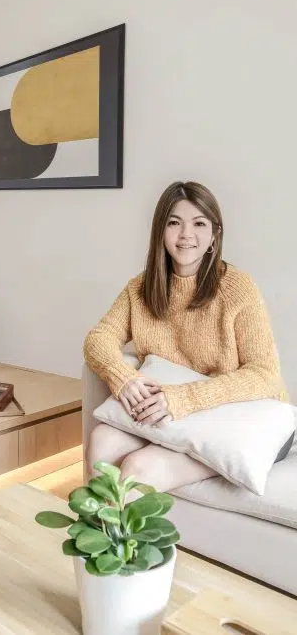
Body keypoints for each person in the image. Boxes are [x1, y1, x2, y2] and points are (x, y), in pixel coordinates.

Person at [83, 181, 293, 490]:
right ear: (160, 230)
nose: (186, 235)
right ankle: (96, 523)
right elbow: (99, 338)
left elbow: (265, 375)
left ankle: (116, 523)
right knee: (102, 440)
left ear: (214, 234)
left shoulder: (237, 287)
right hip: (181, 417)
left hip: (244, 420)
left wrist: (183, 398)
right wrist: (122, 377)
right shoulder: (140, 288)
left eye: (199, 223)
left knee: (139, 468)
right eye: (174, 223)